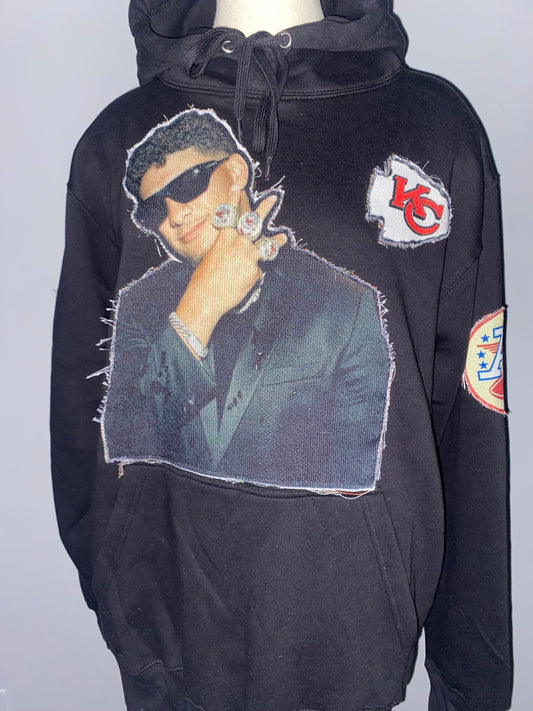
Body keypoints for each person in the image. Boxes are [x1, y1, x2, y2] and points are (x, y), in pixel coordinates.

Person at [102, 108, 392, 492]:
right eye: (153, 208)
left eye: (187, 185)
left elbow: (353, 481)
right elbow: (127, 445)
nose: (174, 215)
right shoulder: (139, 305)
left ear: (237, 172)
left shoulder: (343, 304)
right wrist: (199, 308)